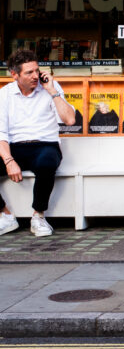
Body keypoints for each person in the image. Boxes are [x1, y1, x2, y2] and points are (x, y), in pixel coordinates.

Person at [0, 50, 75, 237]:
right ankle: (5, 215)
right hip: (15, 147)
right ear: (14, 74)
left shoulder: (51, 88)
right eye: (29, 73)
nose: (35, 76)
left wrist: (52, 91)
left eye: (37, 71)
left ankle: (39, 216)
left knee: (46, 163)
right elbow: (1, 132)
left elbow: (70, 120)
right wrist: (9, 160)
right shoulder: (4, 95)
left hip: (45, 144)